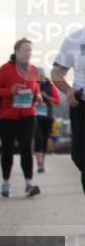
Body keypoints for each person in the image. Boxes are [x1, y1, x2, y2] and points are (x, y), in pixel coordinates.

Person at [0, 38, 41, 197]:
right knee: (8, 150)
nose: (28, 53)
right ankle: (6, 182)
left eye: (30, 50)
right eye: (25, 50)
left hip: (27, 115)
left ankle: (29, 184)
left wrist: (38, 95)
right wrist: (10, 91)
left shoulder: (34, 70)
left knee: (26, 147)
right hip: (7, 117)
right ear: (16, 52)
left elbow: (36, 88)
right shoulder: (5, 69)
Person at [51, 26, 85, 195]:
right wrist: (68, 90)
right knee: (80, 158)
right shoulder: (75, 39)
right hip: (82, 106)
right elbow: (57, 72)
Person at [34, 73, 61, 174]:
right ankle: (39, 163)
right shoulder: (32, 84)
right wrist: (35, 102)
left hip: (47, 116)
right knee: (38, 138)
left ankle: (42, 162)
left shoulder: (50, 86)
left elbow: (57, 101)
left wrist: (47, 97)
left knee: (45, 139)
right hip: (35, 116)